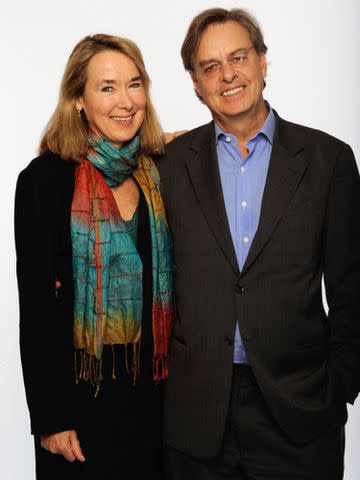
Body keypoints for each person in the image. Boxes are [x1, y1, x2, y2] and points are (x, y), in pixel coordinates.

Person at [157, 7, 360, 480]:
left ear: (263, 62)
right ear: (195, 82)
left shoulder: (328, 160)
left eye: (239, 57)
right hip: (196, 418)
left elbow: (352, 287)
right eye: (210, 66)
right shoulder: (166, 165)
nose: (227, 74)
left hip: (299, 415)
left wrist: (340, 385)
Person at [14, 33, 175, 480]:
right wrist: (50, 419)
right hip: (79, 410)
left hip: (155, 404)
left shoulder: (158, 172)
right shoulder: (44, 181)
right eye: (107, 87)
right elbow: (38, 310)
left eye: (134, 84)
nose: (125, 101)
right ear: (78, 99)